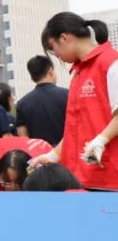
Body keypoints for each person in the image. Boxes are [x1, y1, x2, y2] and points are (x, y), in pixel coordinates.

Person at [32, 13, 118, 189]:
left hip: (110, 176)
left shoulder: (111, 63)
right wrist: (53, 155)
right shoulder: (79, 73)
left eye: (52, 47)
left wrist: (102, 139)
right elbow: (76, 128)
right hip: (82, 177)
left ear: (64, 38)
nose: (56, 55)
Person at [15, 55, 69, 144]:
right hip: (65, 153)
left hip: (38, 156)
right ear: (51, 71)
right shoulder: (68, 95)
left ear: (32, 78)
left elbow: (23, 138)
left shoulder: (22, 103)